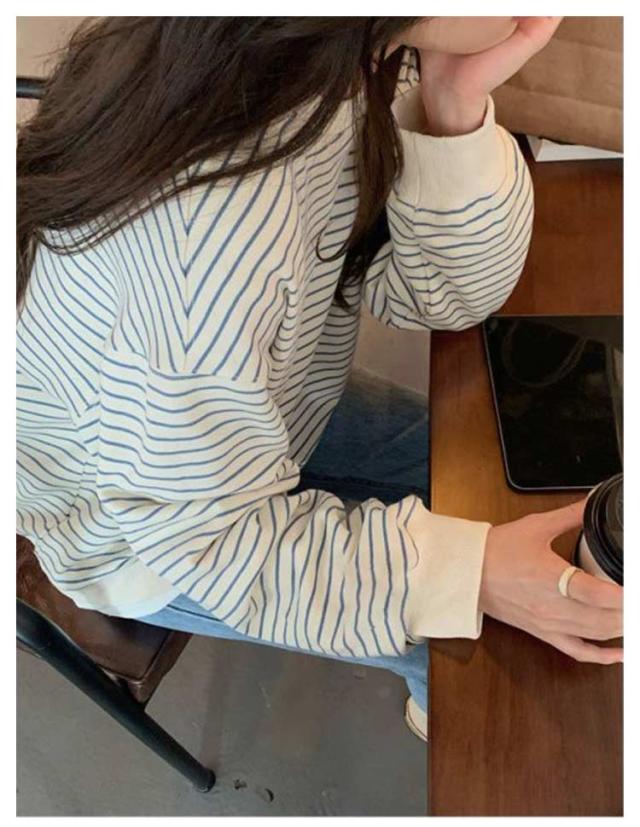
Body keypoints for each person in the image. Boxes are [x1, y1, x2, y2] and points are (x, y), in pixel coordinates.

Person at [17, 17, 622, 746]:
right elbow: (207, 543)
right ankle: (440, 713)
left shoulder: (337, 55)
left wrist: (453, 108)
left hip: (258, 405)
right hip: (143, 530)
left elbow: (435, 293)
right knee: (469, 641)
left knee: (499, 485)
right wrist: (472, 576)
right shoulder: (202, 239)